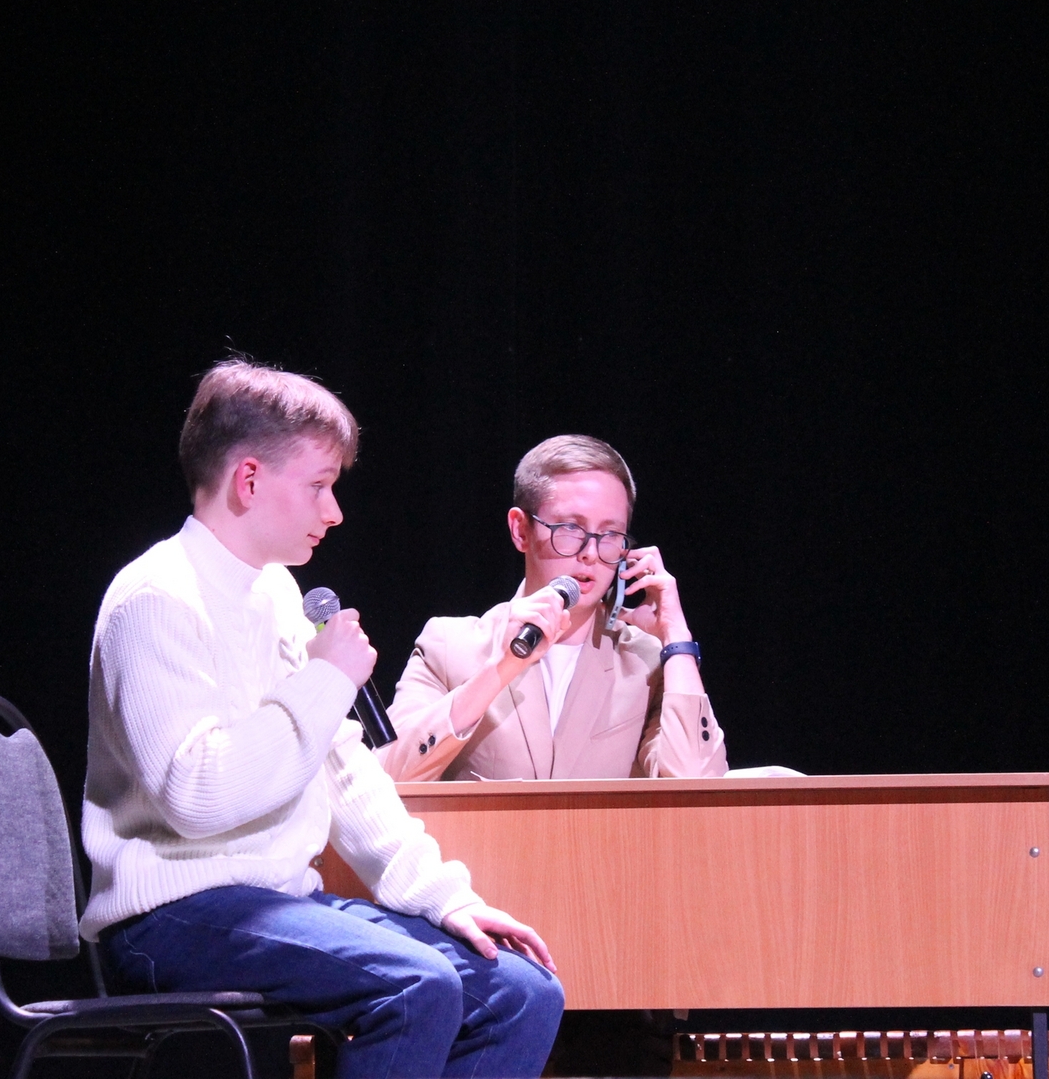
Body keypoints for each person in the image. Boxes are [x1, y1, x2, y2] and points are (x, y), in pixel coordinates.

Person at [79, 360, 566, 1078]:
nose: (333, 511)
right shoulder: (155, 597)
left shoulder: (276, 592)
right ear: (249, 480)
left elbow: (342, 770)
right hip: (170, 913)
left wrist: (444, 899)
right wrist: (326, 679)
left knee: (521, 994)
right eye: (318, 486)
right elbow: (196, 798)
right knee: (415, 985)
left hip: (276, 901)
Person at [380, 434, 750, 783]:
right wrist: (499, 670)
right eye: (571, 528)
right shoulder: (449, 646)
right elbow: (387, 777)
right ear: (521, 530)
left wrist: (676, 636)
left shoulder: (645, 663)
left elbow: (697, 787)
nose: (591, 553)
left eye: (610, 535)